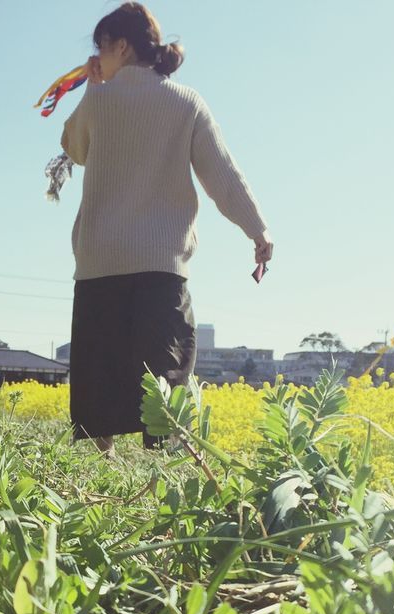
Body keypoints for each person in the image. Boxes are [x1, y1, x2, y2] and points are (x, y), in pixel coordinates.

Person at [60, 2, 273, 455]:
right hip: (161, 261)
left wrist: (93, 86)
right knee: (166, 362)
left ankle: (104, 460)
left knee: (104, 360)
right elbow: (222, 174)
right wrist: (257, 229)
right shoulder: (186, 102)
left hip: (100, 259)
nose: (99, 56)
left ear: (121, 46)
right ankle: (163, 455)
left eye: (102, 47)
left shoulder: (97, 99)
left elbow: (74, 147)